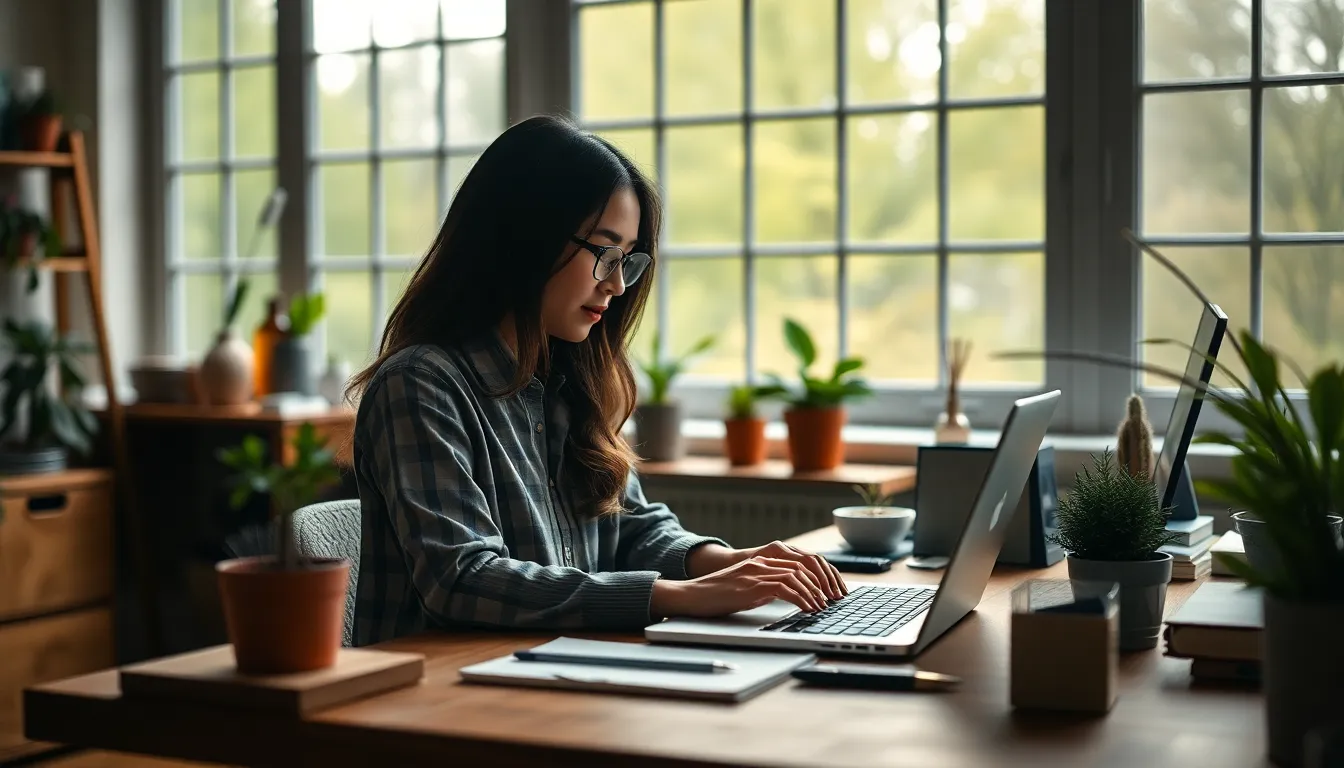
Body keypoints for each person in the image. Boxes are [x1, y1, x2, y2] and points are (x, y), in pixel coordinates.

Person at [345, 115, 846, 647]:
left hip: (556, 672)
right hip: (433, 702)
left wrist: (726, 564)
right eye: (605, 253)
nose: (616, 284)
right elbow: (461, 579)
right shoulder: (420, 386)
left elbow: (628, 526)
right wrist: (678, 596)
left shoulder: (572, 382)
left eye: (628, 260)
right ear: (524, 238)